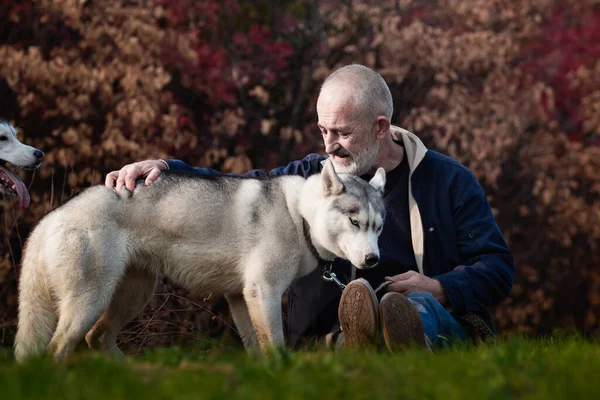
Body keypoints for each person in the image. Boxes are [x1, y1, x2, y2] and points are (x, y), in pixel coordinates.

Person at [105, 64, 515, 352]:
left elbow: (497, 269)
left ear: (380, 127)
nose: (329, 145)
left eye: (343, 132)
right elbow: (238, 188)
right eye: (322, 130)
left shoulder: (448, 181)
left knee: (412, 308)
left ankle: (401, 337)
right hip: (323, 338)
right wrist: (167, 168)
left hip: (430, 314)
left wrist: (441, 287)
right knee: (345, 340)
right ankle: (358, 346)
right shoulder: (307, 178)